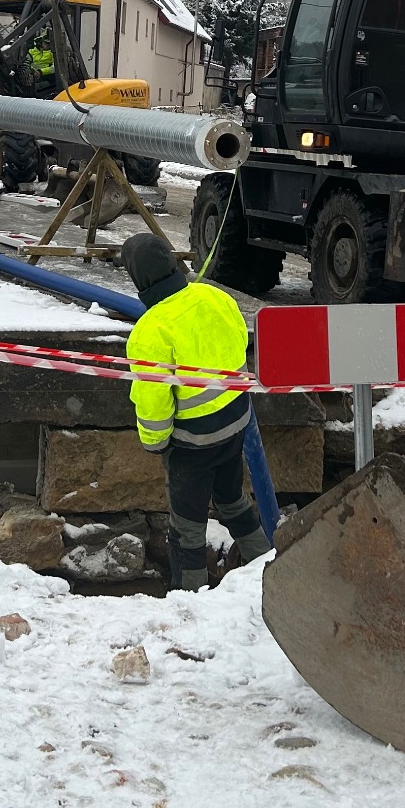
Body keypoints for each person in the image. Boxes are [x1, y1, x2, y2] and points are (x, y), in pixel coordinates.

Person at [120, 232, 269, 590]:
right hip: (236, 423)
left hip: (193, 445)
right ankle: (269, 564)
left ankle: (192, 600)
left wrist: (156, 444)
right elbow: (241, 347)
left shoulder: (150, 330)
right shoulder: (214, 296)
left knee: (187, 529)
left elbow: (154, 404)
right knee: (233, 501)